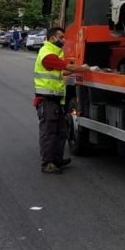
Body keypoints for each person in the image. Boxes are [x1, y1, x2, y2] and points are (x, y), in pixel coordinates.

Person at [33, 26, 93, 174]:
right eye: (61, 38)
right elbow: (65, 67)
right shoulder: (47, 54)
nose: (63, 40)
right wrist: (85, 68)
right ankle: (48, 164)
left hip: (55, 101)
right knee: (49, 133)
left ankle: (57, 160)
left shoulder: (54, 53)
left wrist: (79, 69)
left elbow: (62, 70)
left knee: (61, 131)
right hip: (47, 100)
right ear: (52, 38)